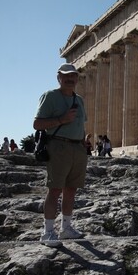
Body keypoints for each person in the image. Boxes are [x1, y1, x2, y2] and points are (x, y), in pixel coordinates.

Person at [34, 63, 87, 247]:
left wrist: (83, 143)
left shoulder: (79, 99)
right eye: (66, 76)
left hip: (78, 149)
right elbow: (37, 124)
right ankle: (47, 232)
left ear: (77, 78)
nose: (70, 79)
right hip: (58, 146)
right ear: (59, 78)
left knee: (71, 190)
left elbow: (81, 124)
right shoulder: (50, 97)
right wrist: (61, 120)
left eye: (73, 76)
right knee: (55, 189)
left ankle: (66, 228)